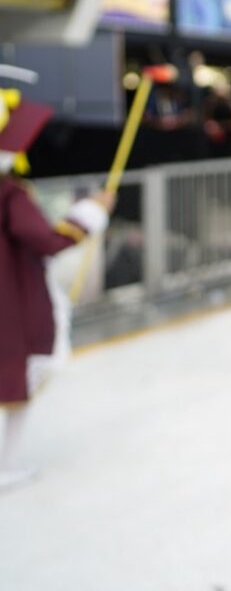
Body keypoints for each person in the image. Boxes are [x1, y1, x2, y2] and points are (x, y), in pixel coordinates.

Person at [0, 81, 113, 488]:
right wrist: (90, 214)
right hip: (9, 304)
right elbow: (45, 240)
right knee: (13, 383)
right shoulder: (9, 194)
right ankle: (4, 465)